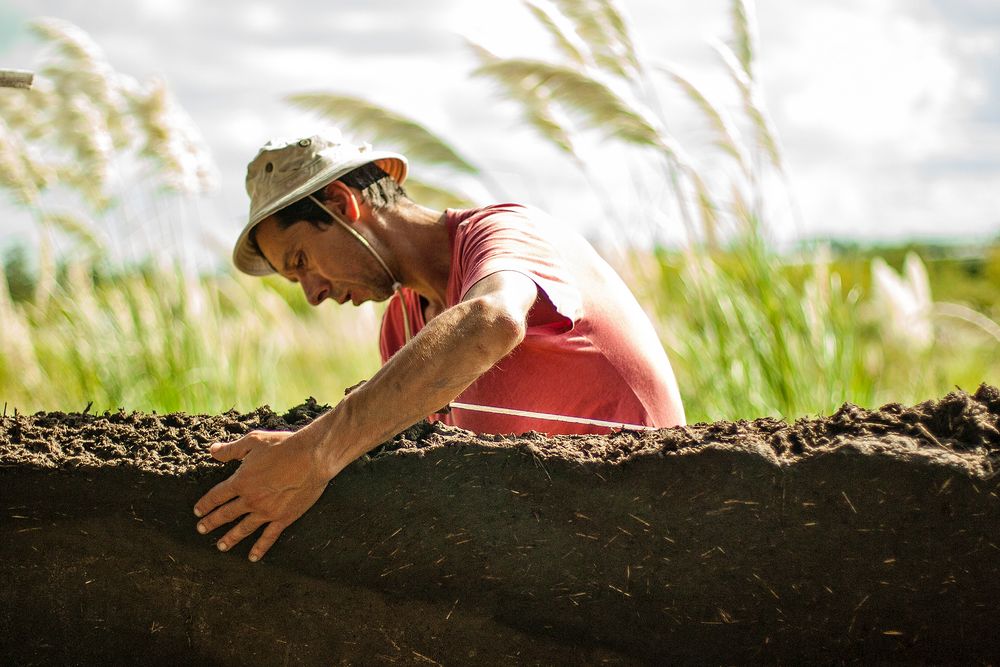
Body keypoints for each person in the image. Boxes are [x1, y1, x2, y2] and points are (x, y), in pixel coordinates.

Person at [193, 129, 685, 562]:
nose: (313, 293)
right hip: (545, 547)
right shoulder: (403, 326)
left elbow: (492, 320)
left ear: (343, 205)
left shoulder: (505, 232)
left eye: (302, 260)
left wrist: (315, 452)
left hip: (641, 523)